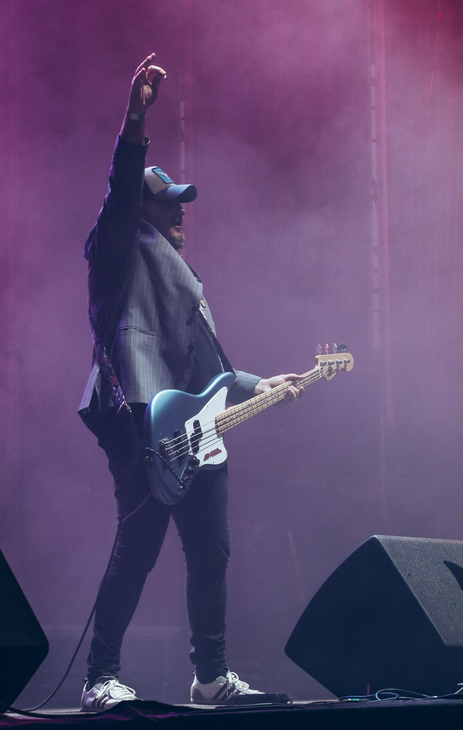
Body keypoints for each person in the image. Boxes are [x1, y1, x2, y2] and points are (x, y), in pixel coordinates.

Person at [77, 54, 304, 710]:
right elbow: (121, 192)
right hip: (138, 416)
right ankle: (99, 677)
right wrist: (136, 117)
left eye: (180, 204)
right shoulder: (119, 249)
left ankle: (211, 677)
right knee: (139, 546)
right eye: (166, 204)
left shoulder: (186, 275)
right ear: (141, 209)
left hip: (195, 430)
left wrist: (258, 383)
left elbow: (208, 365)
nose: (179, 214)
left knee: (212, 551)